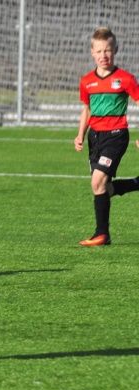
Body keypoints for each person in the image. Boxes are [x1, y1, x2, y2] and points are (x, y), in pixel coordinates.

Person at [74, 27, 139, 247]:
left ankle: (102, 234)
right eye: (99, 51)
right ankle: (135, 183)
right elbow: (87, 109)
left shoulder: (125, 79)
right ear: (92, 52)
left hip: (116, 135)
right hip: (95, 137)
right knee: (102, 188)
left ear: (116, 50)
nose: (104, 55)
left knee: (97, 181)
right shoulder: (86, 82)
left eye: (108, 50)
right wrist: (80, 134)